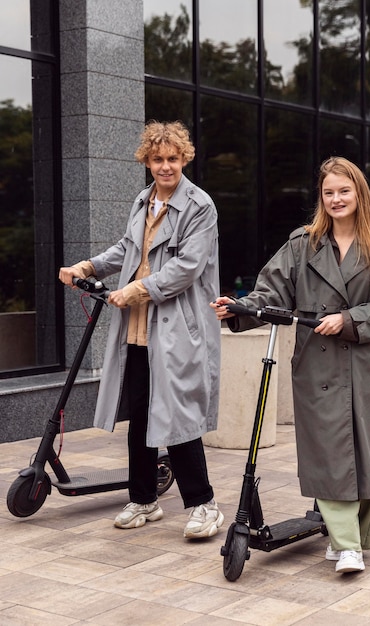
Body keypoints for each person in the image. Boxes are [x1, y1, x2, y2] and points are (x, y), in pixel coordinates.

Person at [211, 156, 370, 572]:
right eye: (328, 192)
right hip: (317, 367)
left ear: (359, 193)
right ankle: (346, 543)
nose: (336, 199)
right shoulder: (303, 244)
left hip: (364, 363)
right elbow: (271, 290)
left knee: (368, 452)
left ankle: (351, 538)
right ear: (320, 197)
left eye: (344, 191)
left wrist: (350, 319)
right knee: (329, 453)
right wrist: (239, 308)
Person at [59, 120, 224, 538]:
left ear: (184, 158)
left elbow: (187, 267)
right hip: (137, 328)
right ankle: (144, 498)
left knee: (179, 415)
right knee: (141, 415)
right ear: (147, 161)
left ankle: (205, 504)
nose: (165, 166)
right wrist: (89, 266)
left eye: (172, 158)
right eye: (157, 159)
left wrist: (138, 288)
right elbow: (126, 248)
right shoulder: (142, 200)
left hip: (176, 327)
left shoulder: (199, 205)